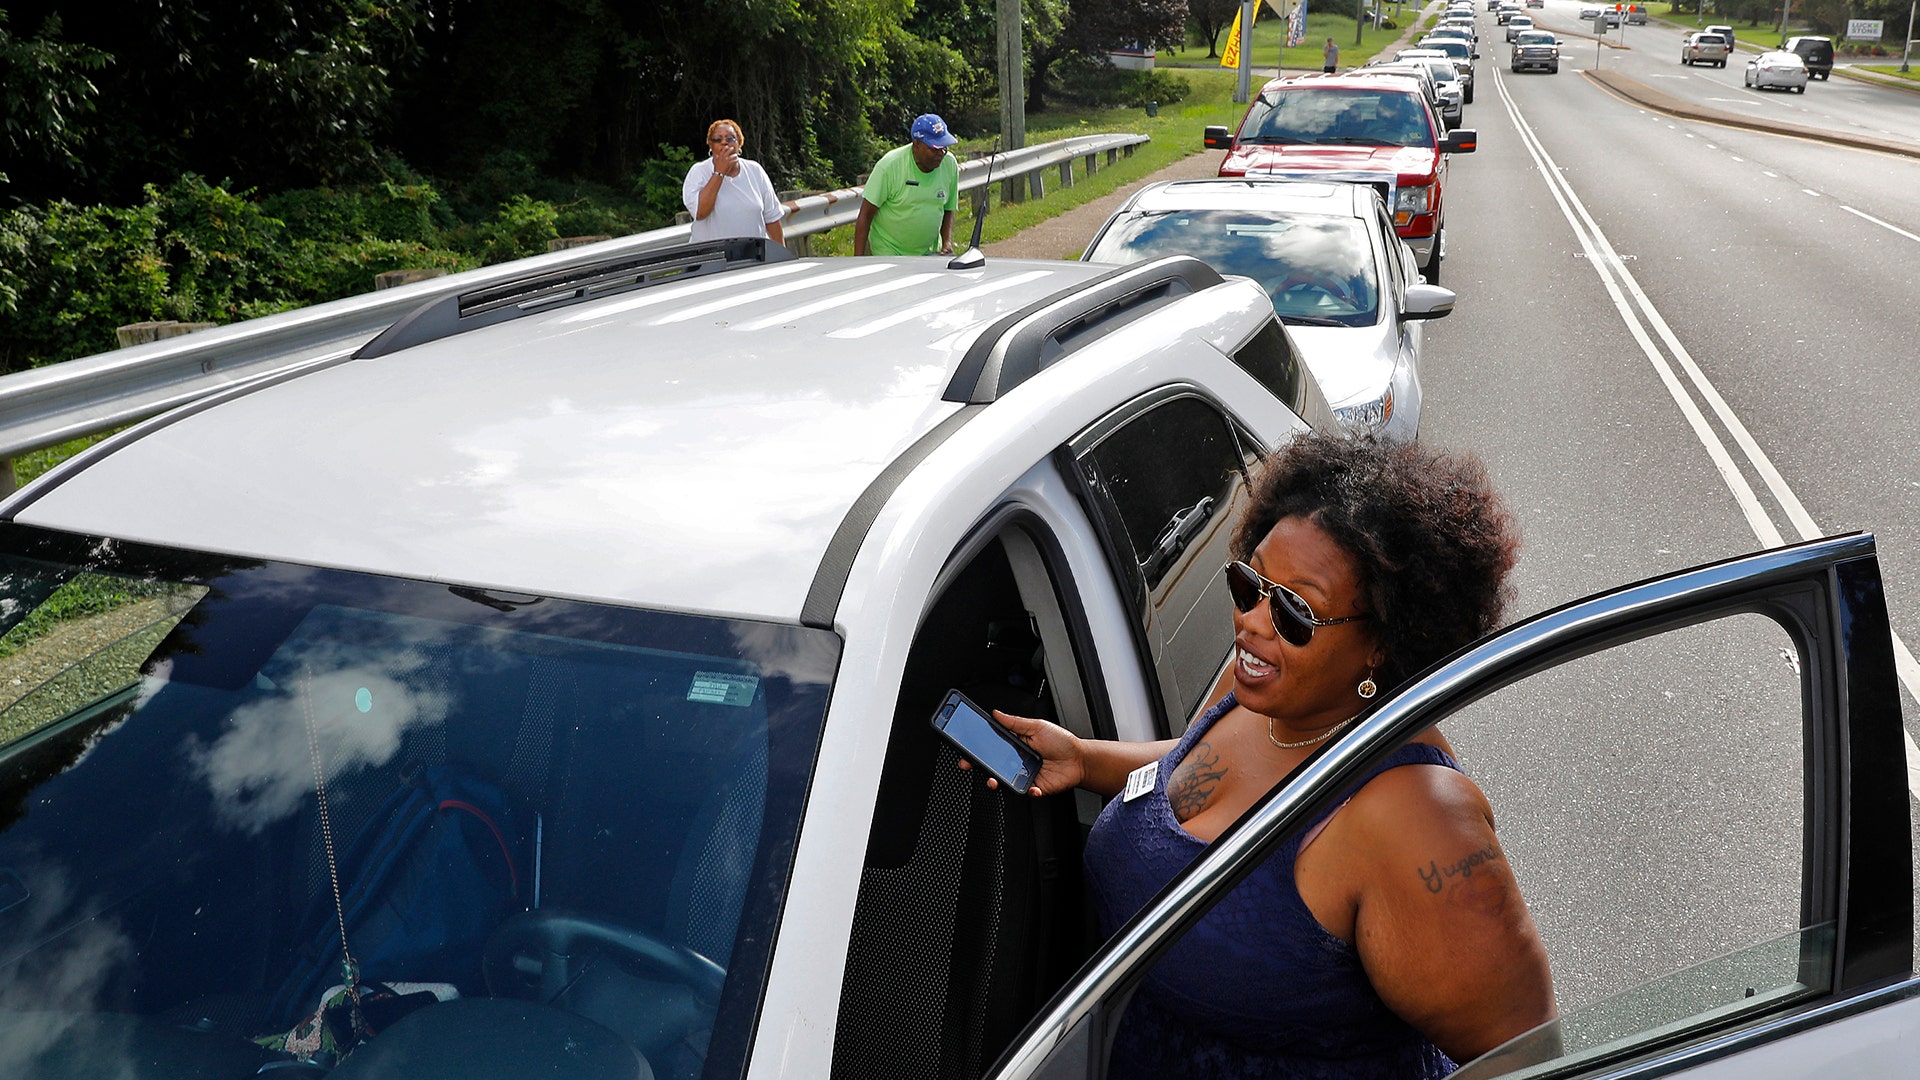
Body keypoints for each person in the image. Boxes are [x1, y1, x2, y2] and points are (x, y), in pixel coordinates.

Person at [968, 433, 1556, 1078]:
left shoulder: (1420, 823)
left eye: (1297, 611)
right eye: (1250, 584)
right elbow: (1194, 773)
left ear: (1385, 643)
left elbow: (1526, 1057)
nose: (1252, 621)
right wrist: (1086, 759)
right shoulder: (1262, 693)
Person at [853, 114, 959, 257]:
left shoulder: (949, 164)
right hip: (890, 253)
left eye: (944, 147)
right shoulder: (890, 166)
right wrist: (857, 262)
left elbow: (948, 209)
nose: (940, 154)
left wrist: (947, 241)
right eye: (934, 148)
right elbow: (865, 216)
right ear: (916, 145)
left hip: (929, 253)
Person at [681, 119, 785, 245]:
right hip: (712, 258)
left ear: (739, 144)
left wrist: (782, 257)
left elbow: (772, 218)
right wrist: (719, 172)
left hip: (752, 256)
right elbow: (700, 212)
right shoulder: (698, 172)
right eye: (718, 139)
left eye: (730, 139)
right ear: (710, 145)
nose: (724, 143)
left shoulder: (755, 170)